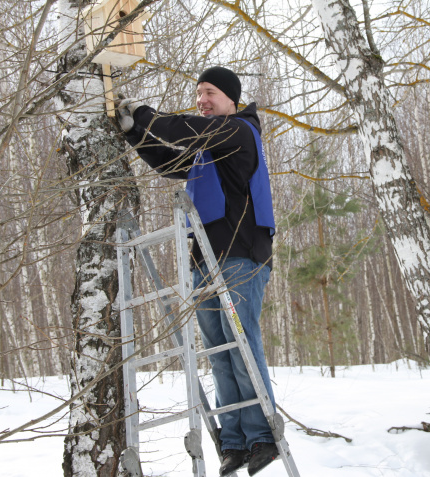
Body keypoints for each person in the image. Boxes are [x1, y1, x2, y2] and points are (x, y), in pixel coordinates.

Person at [116, 66, 278, 476]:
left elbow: (186, 131)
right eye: (199, 93)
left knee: (240, 345)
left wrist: (146, 114)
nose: (202, 100)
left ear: (230, 99)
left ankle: (262, 435)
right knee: (219, 354)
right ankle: (236, 441)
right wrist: (135, 133)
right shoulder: (210, 146)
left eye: (209, 92)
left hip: (241, 256)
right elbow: (170, 162)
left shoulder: (237, 132)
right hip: (205, 260)